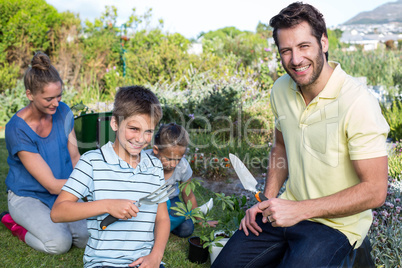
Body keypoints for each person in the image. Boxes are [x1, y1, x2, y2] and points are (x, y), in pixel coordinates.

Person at [212, 2, 389, 267]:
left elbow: (375, 191)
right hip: (286, 211)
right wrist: (268, 200)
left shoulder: (357, 102)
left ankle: (357, 254)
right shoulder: (281, 88)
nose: (295, 60)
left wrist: (301, 209)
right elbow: (280, 147)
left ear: (324, 43)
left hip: (337, 226)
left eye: (304, 46)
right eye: (286, 50)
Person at [50, 85, 170, 268]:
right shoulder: (91, 162)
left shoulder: (154, 166)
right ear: (115, 123)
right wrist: (107, 205)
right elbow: (58, 212)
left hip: (144, 262)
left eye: (148, 131)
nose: (141, 139)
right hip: (104, 263)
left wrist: (155, 256)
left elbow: (162, 218)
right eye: (134, 129)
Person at [1, 52, 88, 254]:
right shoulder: (16, 129)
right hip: (29, 196)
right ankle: (13, 223)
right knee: (59, 243)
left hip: (64, 190)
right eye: (49, 98)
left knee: (87, 237)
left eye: (59, 96)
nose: (56, 103)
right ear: (30, 94)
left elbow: (75, 157)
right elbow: (49, 185)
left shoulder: (64, 111)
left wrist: (85, 190)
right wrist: (90, 187)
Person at [147, 123, 217, 238]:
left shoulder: (183, 167)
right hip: (149, 201)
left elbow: (188, 194)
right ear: (156, 150)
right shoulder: (145, 161)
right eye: (169, 159)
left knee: (186, 229)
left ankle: (164, 225)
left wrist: (200, 220)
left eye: (178, 159)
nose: (173, 164)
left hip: (171, 199)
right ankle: (162, 224)